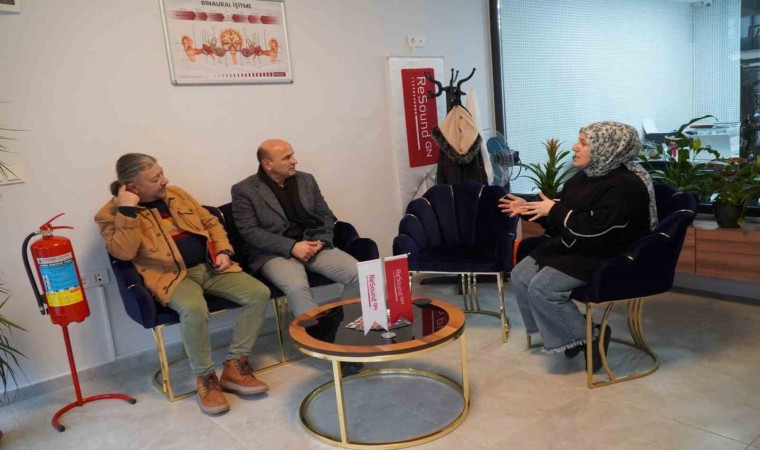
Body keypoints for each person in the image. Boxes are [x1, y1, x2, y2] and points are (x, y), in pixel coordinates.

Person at [94, 153, 271, 415]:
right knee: (194, 308)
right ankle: (206, 379)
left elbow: (211, 222)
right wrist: (128, 211)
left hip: (210, 266)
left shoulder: (177, 194)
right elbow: (123, 253)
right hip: (170, 277)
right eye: (155, 178)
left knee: (259, 293)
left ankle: (235, 366)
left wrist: (224, 250)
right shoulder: (110, 215)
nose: (164, 180)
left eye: (162, 173)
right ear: (132, 187)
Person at [500, 122, 657, 372]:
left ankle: (590, 337)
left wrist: (554, 210)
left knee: (543, 288)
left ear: (606, 148)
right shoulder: (585, 176)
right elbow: (562, 213)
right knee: (520, 275)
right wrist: (528, 209)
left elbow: (598, 229)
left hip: (606, 253)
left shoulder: (626, 186)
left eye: (583, 143)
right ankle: (570, 333)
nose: (575, 147)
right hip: (577, 243)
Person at [230, 139, 362, 375]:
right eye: (287, 158)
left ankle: (346, 333)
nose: (295, 161)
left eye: (292, 155)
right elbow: (250, 232)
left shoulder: (306, 180)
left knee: (357, 272)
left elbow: (325, 215)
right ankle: (327, 348)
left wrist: (319, 241)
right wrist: (291, 247)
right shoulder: (244, 190)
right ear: (267, 164)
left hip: (313, 245)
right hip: (274, 252)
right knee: (297, 286)